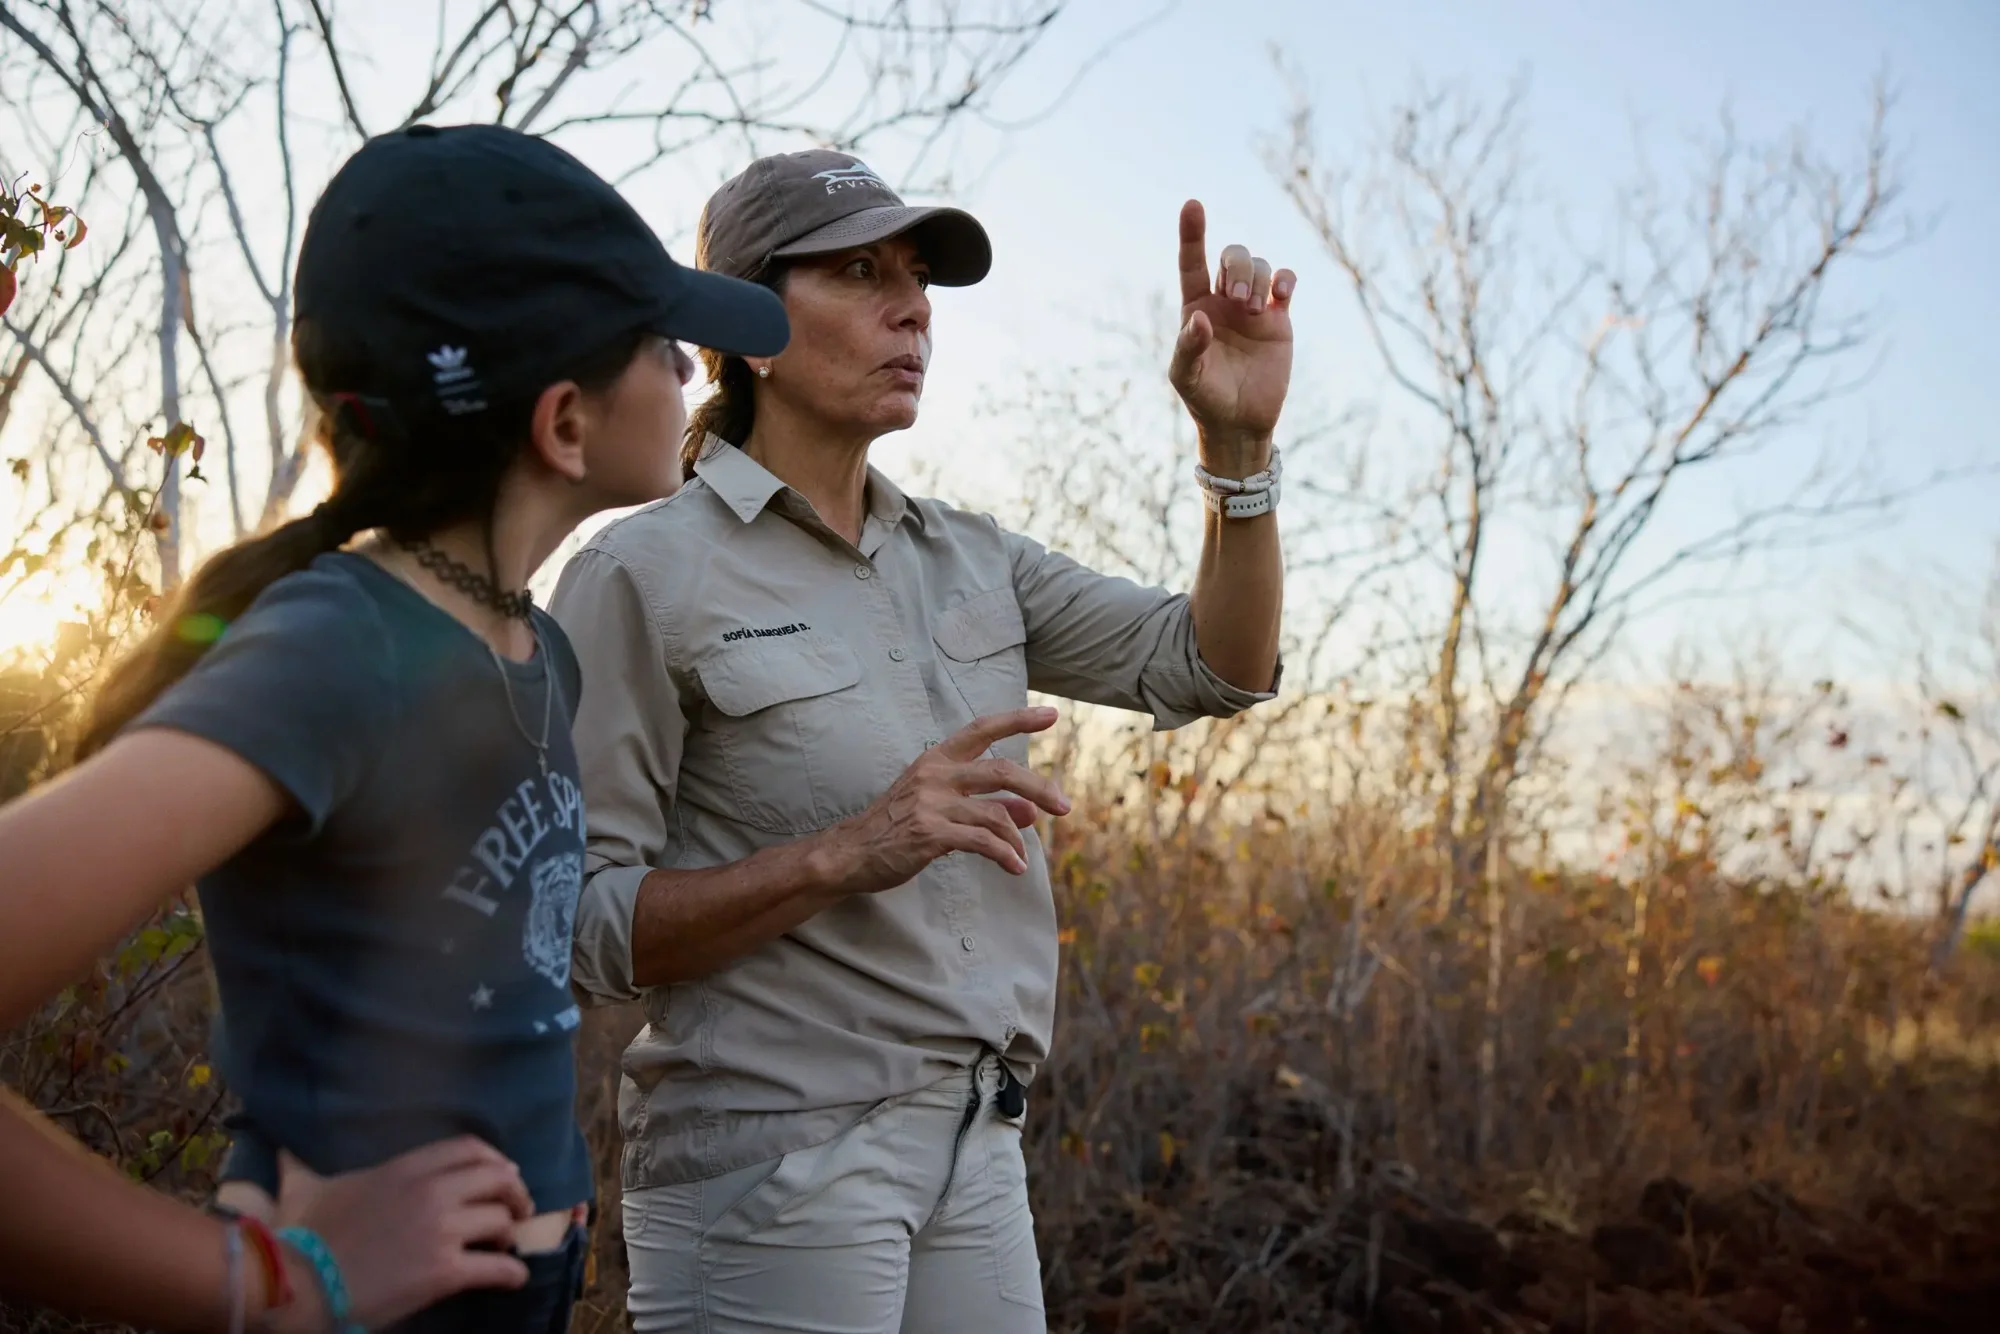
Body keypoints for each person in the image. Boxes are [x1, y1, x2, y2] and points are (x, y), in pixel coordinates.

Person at [0, 123, 787, 1333]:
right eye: (660, 340)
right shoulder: (340, 648)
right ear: (564, 423)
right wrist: (262, 1285)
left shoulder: (539, 650)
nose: (691, 369)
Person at [548, 149, 1292, 1332]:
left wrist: (1236, 455)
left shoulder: (970, 554)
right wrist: (847, 851)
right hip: (772, 1162)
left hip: (977, 1144)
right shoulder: (640, 573)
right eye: (858, 272)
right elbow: (575, 925)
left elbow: (1213, 664)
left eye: (917, 278)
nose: (912, 308)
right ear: (745, 324)